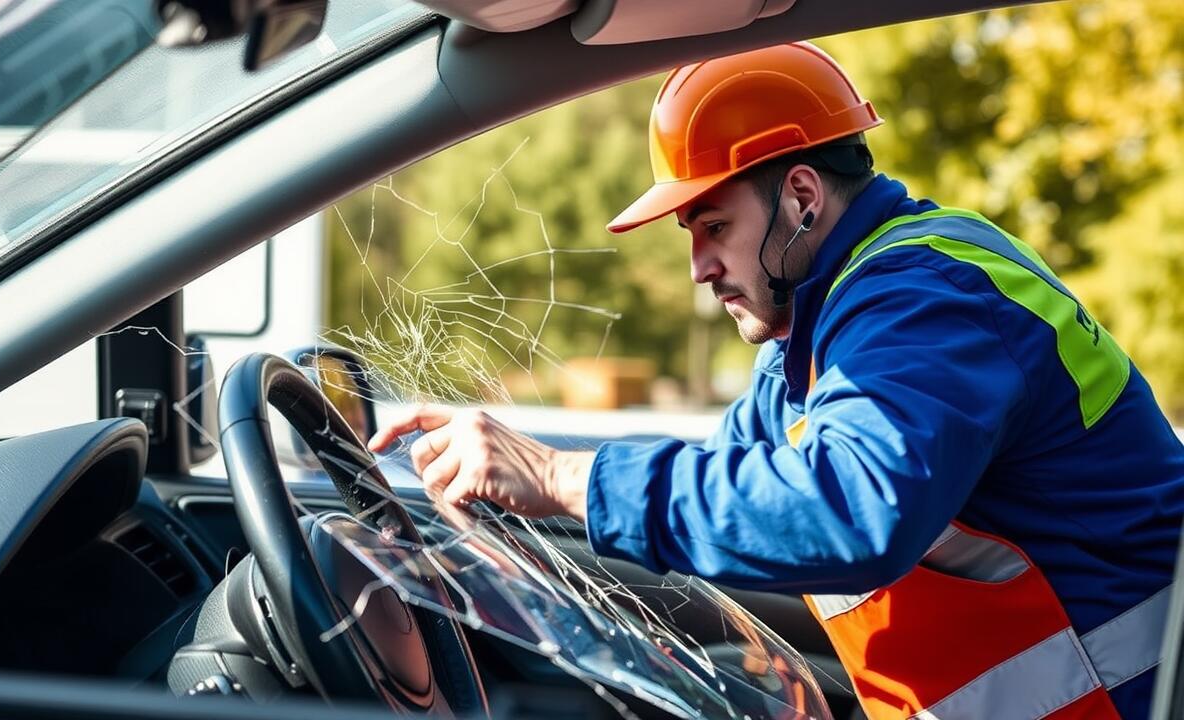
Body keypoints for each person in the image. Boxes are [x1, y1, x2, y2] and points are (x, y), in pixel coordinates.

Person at [368, 42, 1184, 719]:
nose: (698, 268)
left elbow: (850, 510)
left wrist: (554, 475)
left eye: (714, 226)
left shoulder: (922, 300)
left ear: (799, 196)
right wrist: (492, 490)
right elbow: (736, 499)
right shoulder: (810, 343)